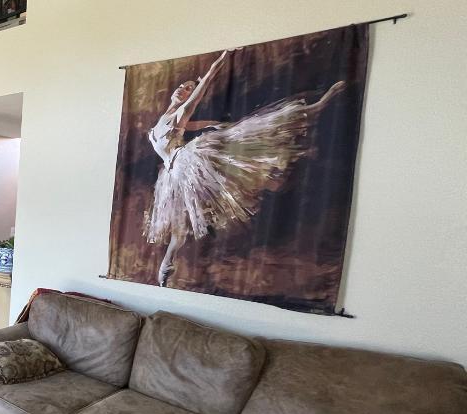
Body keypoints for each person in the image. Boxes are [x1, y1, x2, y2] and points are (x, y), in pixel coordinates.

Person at [146, 49, 346, 287]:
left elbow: (206, 82)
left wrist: (221, 59)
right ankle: (166, 264)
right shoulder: (163, 119)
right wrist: (219, 124)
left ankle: (315, 108)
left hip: (187, 161)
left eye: (188, 88)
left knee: (253, 137)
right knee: (181, 220)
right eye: (181, 86)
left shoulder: (181, 112)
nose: (183, 89)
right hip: (173, 174)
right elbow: (199, 124)